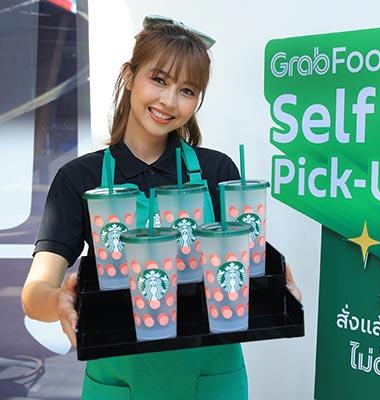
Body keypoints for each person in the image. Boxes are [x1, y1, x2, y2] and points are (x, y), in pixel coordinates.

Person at [21, 16, 301, 399]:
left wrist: (275, 285)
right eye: (159, 79)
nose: (169, 101)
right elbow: (34, 293)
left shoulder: (217, 172)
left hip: (211, 381)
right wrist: (57, 301)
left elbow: (245, 265)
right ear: (129, 76)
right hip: (119, 383)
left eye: (187, 90)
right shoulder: (79, 179)